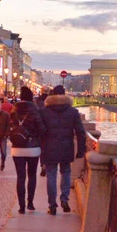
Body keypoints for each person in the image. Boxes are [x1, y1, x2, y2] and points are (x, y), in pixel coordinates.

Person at [40, 85, 86, 215]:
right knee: (66, 172)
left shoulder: (44, 111)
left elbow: (39, 131)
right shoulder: (72, 111)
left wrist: (40, 147)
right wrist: (81, 150)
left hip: (49, 147)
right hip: (67, 147)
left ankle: (52, 205)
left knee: (51, 175)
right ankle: (65, 199)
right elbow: (80, 132)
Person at [10, 86, 45, 214]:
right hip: (33, 148)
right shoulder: (35, 111)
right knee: (32, 175)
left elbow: (11, 127)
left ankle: (21, 207)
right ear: (31, 98)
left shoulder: (14, 110)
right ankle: (30, 203)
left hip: (17, 148)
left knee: (20, 177)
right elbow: (42, 129)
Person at [35, 86, 50, 177]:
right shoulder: (51, 101)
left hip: (40, 127)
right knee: (49, 147)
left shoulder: (36, 101)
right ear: (48, 92)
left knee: (41, 148)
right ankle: (48, 164)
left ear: (41, 91)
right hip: (50, 127)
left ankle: (43, 165)